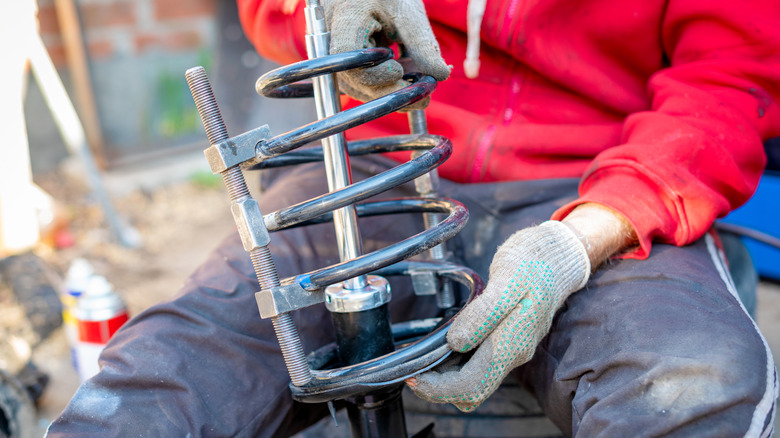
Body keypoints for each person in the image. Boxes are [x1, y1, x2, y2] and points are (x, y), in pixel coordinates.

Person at [48, 0, 779, 436]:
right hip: (376, 164)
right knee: (161, 378)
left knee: (694, 388)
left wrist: (585, 237)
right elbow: (271, 10)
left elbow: (730, 78)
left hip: (608, 183)